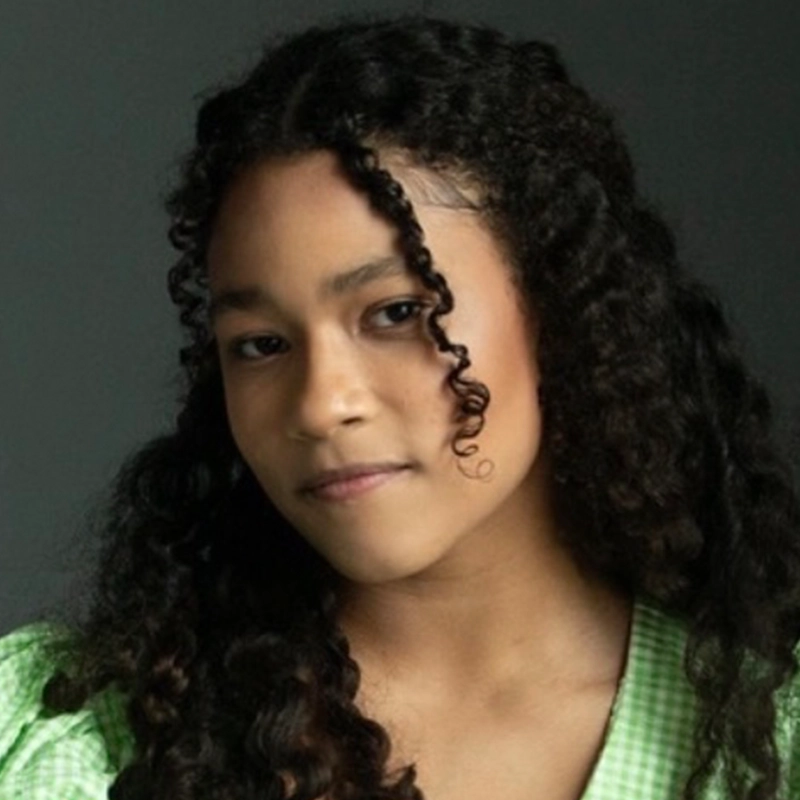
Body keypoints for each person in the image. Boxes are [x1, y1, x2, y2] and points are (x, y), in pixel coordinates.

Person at [0, 15, 798, 800]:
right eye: (261, 344)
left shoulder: (765, 741)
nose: (320, 405)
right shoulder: (69, 738)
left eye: (394, 313)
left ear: (562, 310)